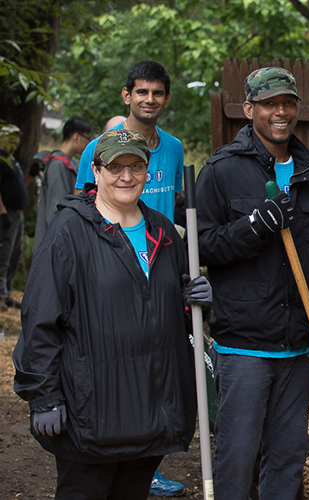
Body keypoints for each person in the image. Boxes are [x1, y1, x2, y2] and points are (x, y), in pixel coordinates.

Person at [12, 129, 211, 499]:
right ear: (96, 171)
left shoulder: (165, 233)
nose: (126, 176)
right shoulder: (68, 233)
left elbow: (177, 314)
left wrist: (198, 302)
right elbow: (40, 319)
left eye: (135, 166)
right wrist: (43, 396)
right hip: (95, 415)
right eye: (115, 167)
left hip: (152, 411)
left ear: (147, 171)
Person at [195, 66, 309, 499]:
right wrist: (254, 225)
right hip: (244, 344)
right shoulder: (221, 171)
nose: (280, 112)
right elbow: (203, 247)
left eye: (288, 103)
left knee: (287, 459)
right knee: (237, 457)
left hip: (299, 346)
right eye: (269, 104)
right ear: (249, 109)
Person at [74, 61, 184, 224]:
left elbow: (172, 200)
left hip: (162, 245)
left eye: (157, 93)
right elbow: (80, 208)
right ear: (127, 96)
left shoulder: (175, 147)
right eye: (142, 92)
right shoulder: (98, 148)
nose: (149, 99)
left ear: (167, 98)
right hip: (114, 246)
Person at [34, 117, 93, 247]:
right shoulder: (58, 165)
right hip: (55, 241)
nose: (88, 144)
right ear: (76, 137)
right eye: (87, 138)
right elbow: (55, 209)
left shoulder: (74, 164)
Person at [0, 123, 27, 311]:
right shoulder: (1, 160)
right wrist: (2, 213)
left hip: (18, 213)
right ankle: (1, 295)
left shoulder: (12, 160)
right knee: (4, 254)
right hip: (6, 213)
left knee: (14, 254)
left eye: (17, 138)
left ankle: (7, 292)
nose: (15, 142)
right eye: (11, 138)